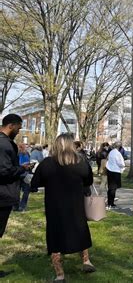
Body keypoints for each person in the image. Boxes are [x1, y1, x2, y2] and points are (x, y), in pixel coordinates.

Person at [31, 133, 95, 282]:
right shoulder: (81, 163)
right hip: (76, 206)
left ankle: (60, 274)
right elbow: (89, 181)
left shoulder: (47, 163)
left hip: (55, 207)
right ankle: (86, 261)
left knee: (55, 237)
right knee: (81, 231)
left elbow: (35, 183)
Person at [0, 114, 29, 278]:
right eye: (18, 127)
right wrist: (22, 169)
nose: (19, 131)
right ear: (11, 125)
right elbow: (3, 172)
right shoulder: (4, 145)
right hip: (2, 194)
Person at [105, 142, 125, 209]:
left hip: (109, 170)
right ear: (119, 147)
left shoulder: (111, 152)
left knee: (110, 187)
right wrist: (122, 166)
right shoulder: (117, 153)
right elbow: (120, 163)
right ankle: (111, 203)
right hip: (115, 171)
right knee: (113, 188)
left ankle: (109, 202)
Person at [14, 143, 31, 212]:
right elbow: (27, 163)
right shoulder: (26, 154)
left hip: (18, 174)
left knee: (17, 191)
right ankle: (22, 206)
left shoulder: (16, 154)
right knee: (26, 191)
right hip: (24, 174)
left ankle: (16, 206)